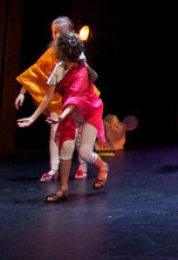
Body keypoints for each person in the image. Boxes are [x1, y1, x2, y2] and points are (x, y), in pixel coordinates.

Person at [18, 32, 110, 201]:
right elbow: (48, 96)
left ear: (63, 52)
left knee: (84, 152)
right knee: (66, 148)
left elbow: (75, 99)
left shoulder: (81, 72)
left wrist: (61, 117)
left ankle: (102, 166)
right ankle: (63, 188)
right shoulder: (59, 68)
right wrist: (32, 118)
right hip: (70, 111)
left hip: (89, 110)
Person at [14, 16, 93, 182]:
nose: (57, 35)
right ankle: (54, 168)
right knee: (55, 131)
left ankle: (82, 165)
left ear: (69, 33)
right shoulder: (52, 52)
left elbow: (84, 75)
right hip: (57, 99)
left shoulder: (77, 54)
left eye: (61, 32)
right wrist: (22, 92)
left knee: (78, 134)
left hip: (75, 97)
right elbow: (36, 71)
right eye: (54, 32)